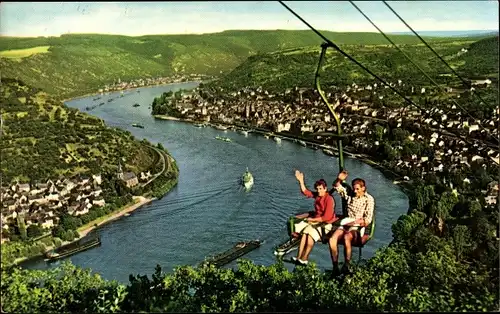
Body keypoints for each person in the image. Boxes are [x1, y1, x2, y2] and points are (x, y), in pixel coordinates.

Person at [328, 170, 374, 275]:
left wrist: (355, 223)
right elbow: (336, 186)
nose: (355, 191)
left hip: (357, 225)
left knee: (347, 237)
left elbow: (367, 220)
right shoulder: (349, 195)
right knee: (332, 239)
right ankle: (335, 265)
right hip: (347, 221)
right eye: (354, 188)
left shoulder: (368, 199)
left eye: (357, 189)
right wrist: (339, 179)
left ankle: (346, 264)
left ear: (363, 188)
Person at [292, 170, 337, 265]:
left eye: (321, 189)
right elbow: (306, 192)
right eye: (317, 189)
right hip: (316, 222)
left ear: (325, 189)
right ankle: (299, 256)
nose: (319, 191)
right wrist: (301, 181)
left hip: (325, 224)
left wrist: (313, 219)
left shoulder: (329, 199)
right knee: (305, 233)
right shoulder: (318, 196)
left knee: (311, 235)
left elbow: (327, 217)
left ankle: (305, 258)